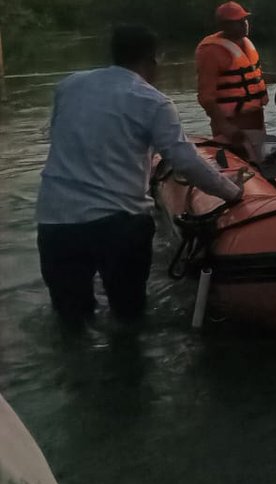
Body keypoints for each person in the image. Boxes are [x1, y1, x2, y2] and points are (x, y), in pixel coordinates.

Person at [36, 25, 244, 325]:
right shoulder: (152, 101)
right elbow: (185, 160)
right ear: (154, 59)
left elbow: (55, 135)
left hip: (56, 221)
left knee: (70, 321)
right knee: (128, 317)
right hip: (118, 223)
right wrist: (232, 192)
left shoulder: (69, 85)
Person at [195, 0, 270, 161]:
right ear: (224, 25)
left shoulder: (245, 44)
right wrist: (226, 127)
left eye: (244, 20)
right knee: (244, 171)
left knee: (261, 167)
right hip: (234, 127)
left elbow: (254, 78)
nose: (244, 24)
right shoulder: (211, 51)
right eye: (237, 22)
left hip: (256, 124)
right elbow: (206, 97)